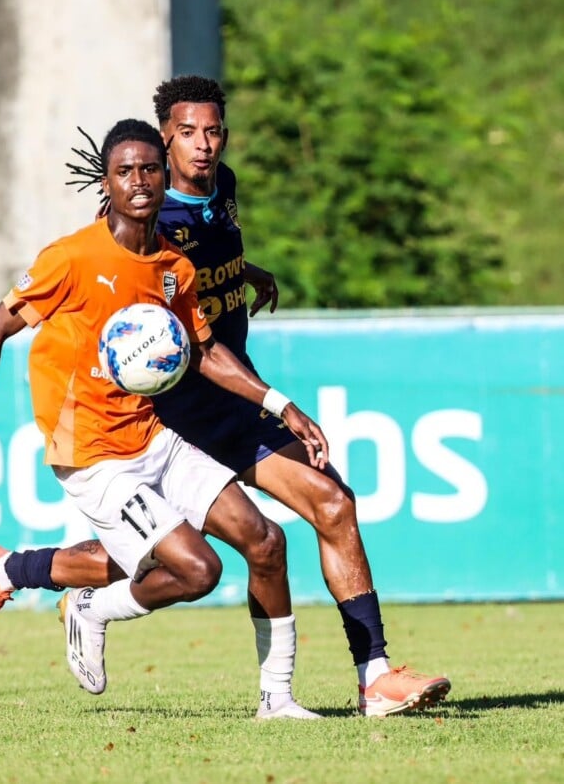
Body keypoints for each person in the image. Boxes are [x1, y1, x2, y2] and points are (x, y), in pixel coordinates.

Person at [59, 76, 451, 717]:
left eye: (214, 131)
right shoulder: (144, 215)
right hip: (172, 418)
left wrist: (244, 271)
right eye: (188, 133)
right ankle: (16, 574)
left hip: (231, 402)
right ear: (165, 138)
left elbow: (204, 262)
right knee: (165, 561)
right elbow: (126, 284)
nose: (204, 145)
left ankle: (373, 677)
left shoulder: (224, 188)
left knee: (332, 503)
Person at [0, 118, 330, 720]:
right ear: (107, 183)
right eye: (124, 171)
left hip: (154, 437)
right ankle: (90, 608)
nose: (139, 181)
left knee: (266, 542)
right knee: (197, 570)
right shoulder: (72, 257)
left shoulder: (175, 268)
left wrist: (279, 405)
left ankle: (278, 699)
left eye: (148, 169)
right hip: (91, 454)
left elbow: (204, 351)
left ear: (164, 177)